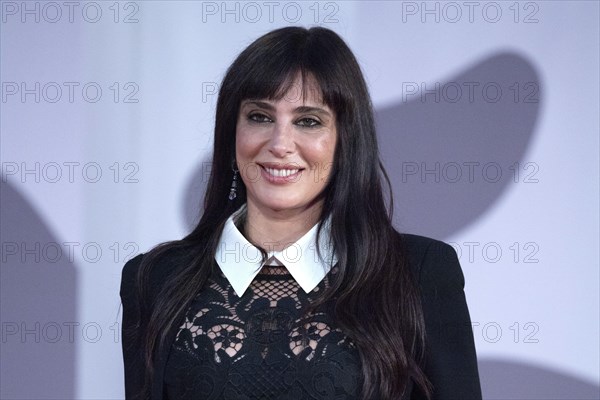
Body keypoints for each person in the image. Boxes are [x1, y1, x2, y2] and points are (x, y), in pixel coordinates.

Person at [120, 26, 482, 400]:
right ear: (231, 135)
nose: (279, 144)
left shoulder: (419, 273)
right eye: (259, 116)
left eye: (308, 121)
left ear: (345, 143)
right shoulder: (154, 281)